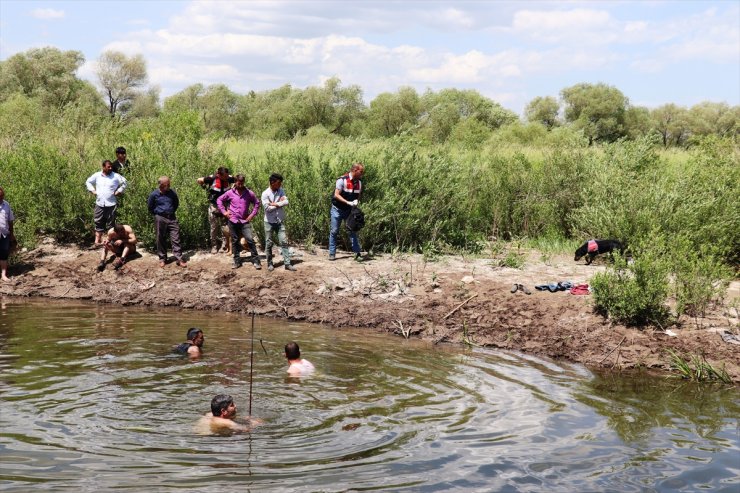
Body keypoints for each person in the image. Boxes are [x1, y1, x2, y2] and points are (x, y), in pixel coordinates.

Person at [217, 174, 261, 270]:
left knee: (249, 239)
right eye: (238, 183)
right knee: (235, 241)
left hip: (244, 221)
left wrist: (251, 215)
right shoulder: (230, 193)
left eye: (242, 183)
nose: (240, 185)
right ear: (235, 182)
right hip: (232, 220)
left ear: (244, 182)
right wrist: (224, 212)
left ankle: (256, 260)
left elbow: (257, 203)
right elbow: (219, 200)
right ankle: (237, 261)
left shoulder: (249, 193)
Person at [147, 176, 187, 268]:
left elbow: (176, 203)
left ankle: (179, 259)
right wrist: (158, 214)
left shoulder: (172, 193)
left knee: (176, 238)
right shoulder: (154, 194)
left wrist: (171, 211)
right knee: (160, 238)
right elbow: (150, 207)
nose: (169, 185)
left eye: (169, 184)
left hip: (172, 217)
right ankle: (162, 258)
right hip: (160, 218)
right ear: (161, 185)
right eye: (167, 184)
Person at [85, 159, 127, 247]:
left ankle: (109, 241)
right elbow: (88, 181)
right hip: (99, 203)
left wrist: (119, 191)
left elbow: (125, 182)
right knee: (98, 221)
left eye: (111, 166)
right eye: (108, 167)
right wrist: (93, 190)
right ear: (103, 167)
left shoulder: (116, 176)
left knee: (111, 223)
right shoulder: (97, 175)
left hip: (111, 203)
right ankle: (97, 241)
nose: (111, 168)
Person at [329, 162, 364, 262]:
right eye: (361, 172)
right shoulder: (342, 180)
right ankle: (332, 253)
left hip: (349, 210)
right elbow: (336, 195)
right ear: (354, 170)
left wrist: (356, 201)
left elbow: (358, 195)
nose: (362, 174)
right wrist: (348, 202)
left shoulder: (359, 182)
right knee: (334, 231)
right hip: (337, 209)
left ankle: (357, 254)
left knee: (352, 230)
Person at [261, 173, 296, 272]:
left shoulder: (281, 191)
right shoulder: (265, 193)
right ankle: (269, 263)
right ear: (272, 183)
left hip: (279, 220)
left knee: (284, 242)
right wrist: (280, 204)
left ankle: (287, 263)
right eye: (278, 183)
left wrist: (275, 203)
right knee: (268, 243)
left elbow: (286, 202)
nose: (280, 185)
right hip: (269, 221)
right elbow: (267, 208)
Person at [196, 167, 235, 254]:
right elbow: (199, 180)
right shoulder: (212, 178)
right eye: (224, 176)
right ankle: (214, 246)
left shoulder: (229, 178)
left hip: (225, 205)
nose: (226, 178)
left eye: (227, 176)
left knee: (225, 226)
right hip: (214, 206)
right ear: (219, 175)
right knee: (214, 226)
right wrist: (203, 185)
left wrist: (233, 188)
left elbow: (237, 180)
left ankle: (225, 245)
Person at [194, 394, 259, 434]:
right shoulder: (226, 422)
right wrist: (254, 422)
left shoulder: (209, 414)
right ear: (223, 411)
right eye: (232, 405)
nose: (235, 406)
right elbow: (246, 429)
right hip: (208, 440)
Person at [0, 187, 16, 282]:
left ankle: (3, 275)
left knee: (4, 255)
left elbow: (10, 220)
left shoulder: (6, 205)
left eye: (2, 195)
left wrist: (12, 234)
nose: (1, 197)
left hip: (4, 234)